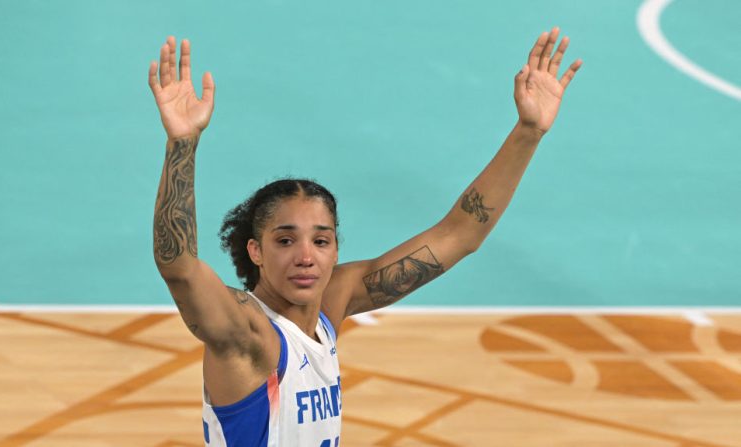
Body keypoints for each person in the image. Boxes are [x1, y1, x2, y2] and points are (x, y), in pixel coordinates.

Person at [149, 28, 581, 446]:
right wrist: (182, 144)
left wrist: (528, 132)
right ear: (255, 251)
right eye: (285, 240)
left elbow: (460, 234)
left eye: (321, 240)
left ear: (337, 248)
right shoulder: (249, 334)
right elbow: (180, 268)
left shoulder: (331, 304)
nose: (305, 256)